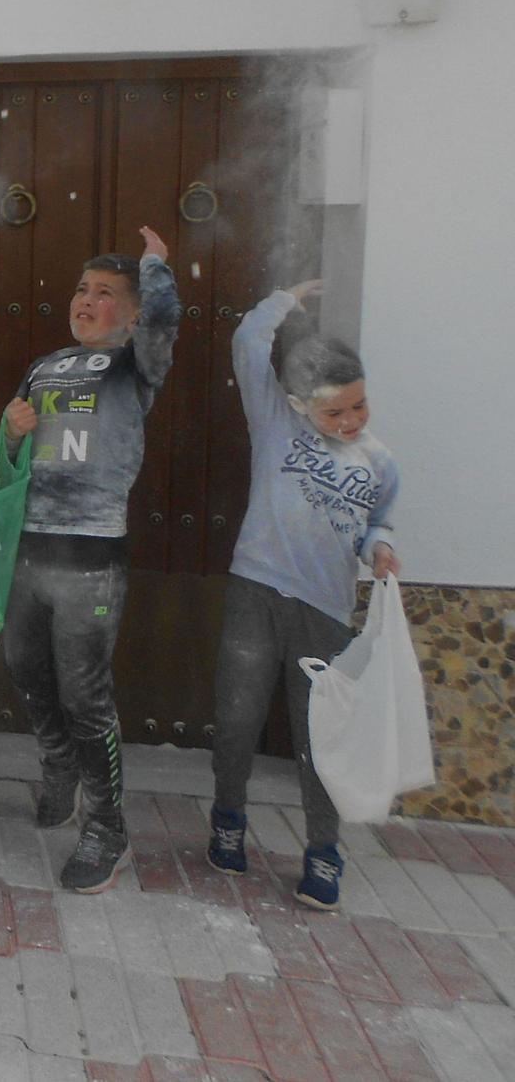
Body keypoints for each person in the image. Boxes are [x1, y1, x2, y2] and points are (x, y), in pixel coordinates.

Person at [206, 281, 400, 912]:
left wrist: (381, 549)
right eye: (333, 413)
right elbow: (246, 343)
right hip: (256, 591)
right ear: (297, 404)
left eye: (358, 407)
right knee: (237, 717)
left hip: (325, 612)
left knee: (319, 735)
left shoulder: (379, 462)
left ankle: (322, 850)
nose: (348, 422)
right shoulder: (274, 421)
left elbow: (379, 522)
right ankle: (228, 819)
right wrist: (281, 300)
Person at [1, 228, 180, 893]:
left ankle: (108, 828)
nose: (87, 300)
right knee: (24, 665)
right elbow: (9, 456)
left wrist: (156, 267)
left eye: (106, 293)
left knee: (85, 692)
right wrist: (11, 434)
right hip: (29, 547)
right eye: (82, 288)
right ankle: (58, 767)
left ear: (130, 315)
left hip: (90, 554)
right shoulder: (45, 365)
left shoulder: (137, 361)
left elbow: (164, 317)